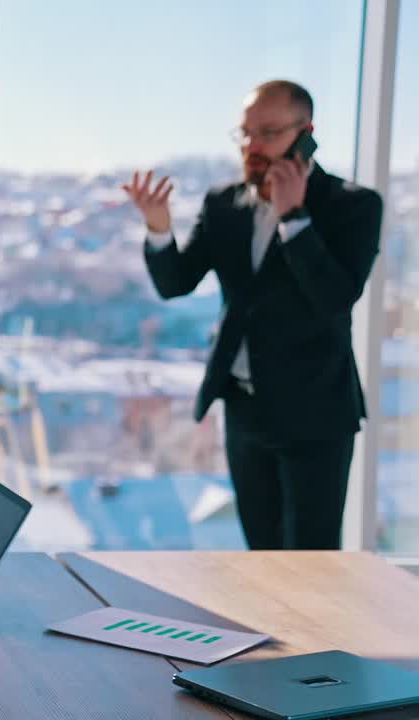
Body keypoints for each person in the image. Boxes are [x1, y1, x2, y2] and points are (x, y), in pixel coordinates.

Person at [123, 80, 383, 550]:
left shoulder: (354, 205)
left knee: (310, 564)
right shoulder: (224, 203)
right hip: (244, 410)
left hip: (316, 414)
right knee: (260, 558)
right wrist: (159, 228)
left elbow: (335, 298)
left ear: (306, 132)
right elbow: (176, 283)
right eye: (245, 133)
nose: (252, 146)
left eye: (267, 132)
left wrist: (295, 219)